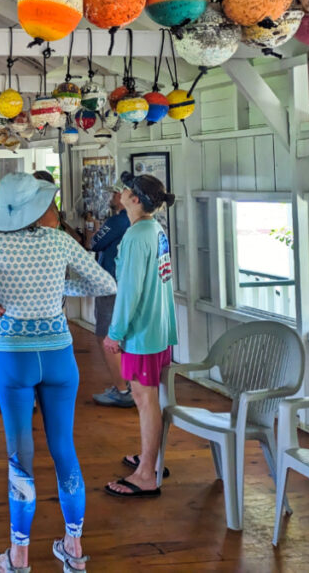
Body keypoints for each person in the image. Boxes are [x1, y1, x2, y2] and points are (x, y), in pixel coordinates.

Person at [0, 173, 116, 573]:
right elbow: (104, 282)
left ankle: (17, 558)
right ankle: (73, 548)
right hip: (59, 356)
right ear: (39, 211)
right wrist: (55, 290)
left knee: (20, 459)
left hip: (13, 357)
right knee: (64, 451)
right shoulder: (60, 242)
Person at [103, 172, 177, 498]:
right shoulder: (154, 230)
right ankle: (150, 456)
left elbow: (129, 292)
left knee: (145, 400)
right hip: (158, 326)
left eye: (126, 189)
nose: (121, 191)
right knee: (146, 399)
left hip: (141, 333)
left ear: (135, 200)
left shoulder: (136, 236)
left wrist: (115, 334)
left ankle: (147, 473)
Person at [87, 189, 132, 408]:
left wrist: (93, 229)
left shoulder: (117, 221)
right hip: (130, 285)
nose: (111, 197)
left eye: (115, 194)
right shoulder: (142, 222)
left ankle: (122, 389)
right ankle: (132, 384)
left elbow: (94, 243)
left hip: (111, 283)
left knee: (106, 336)